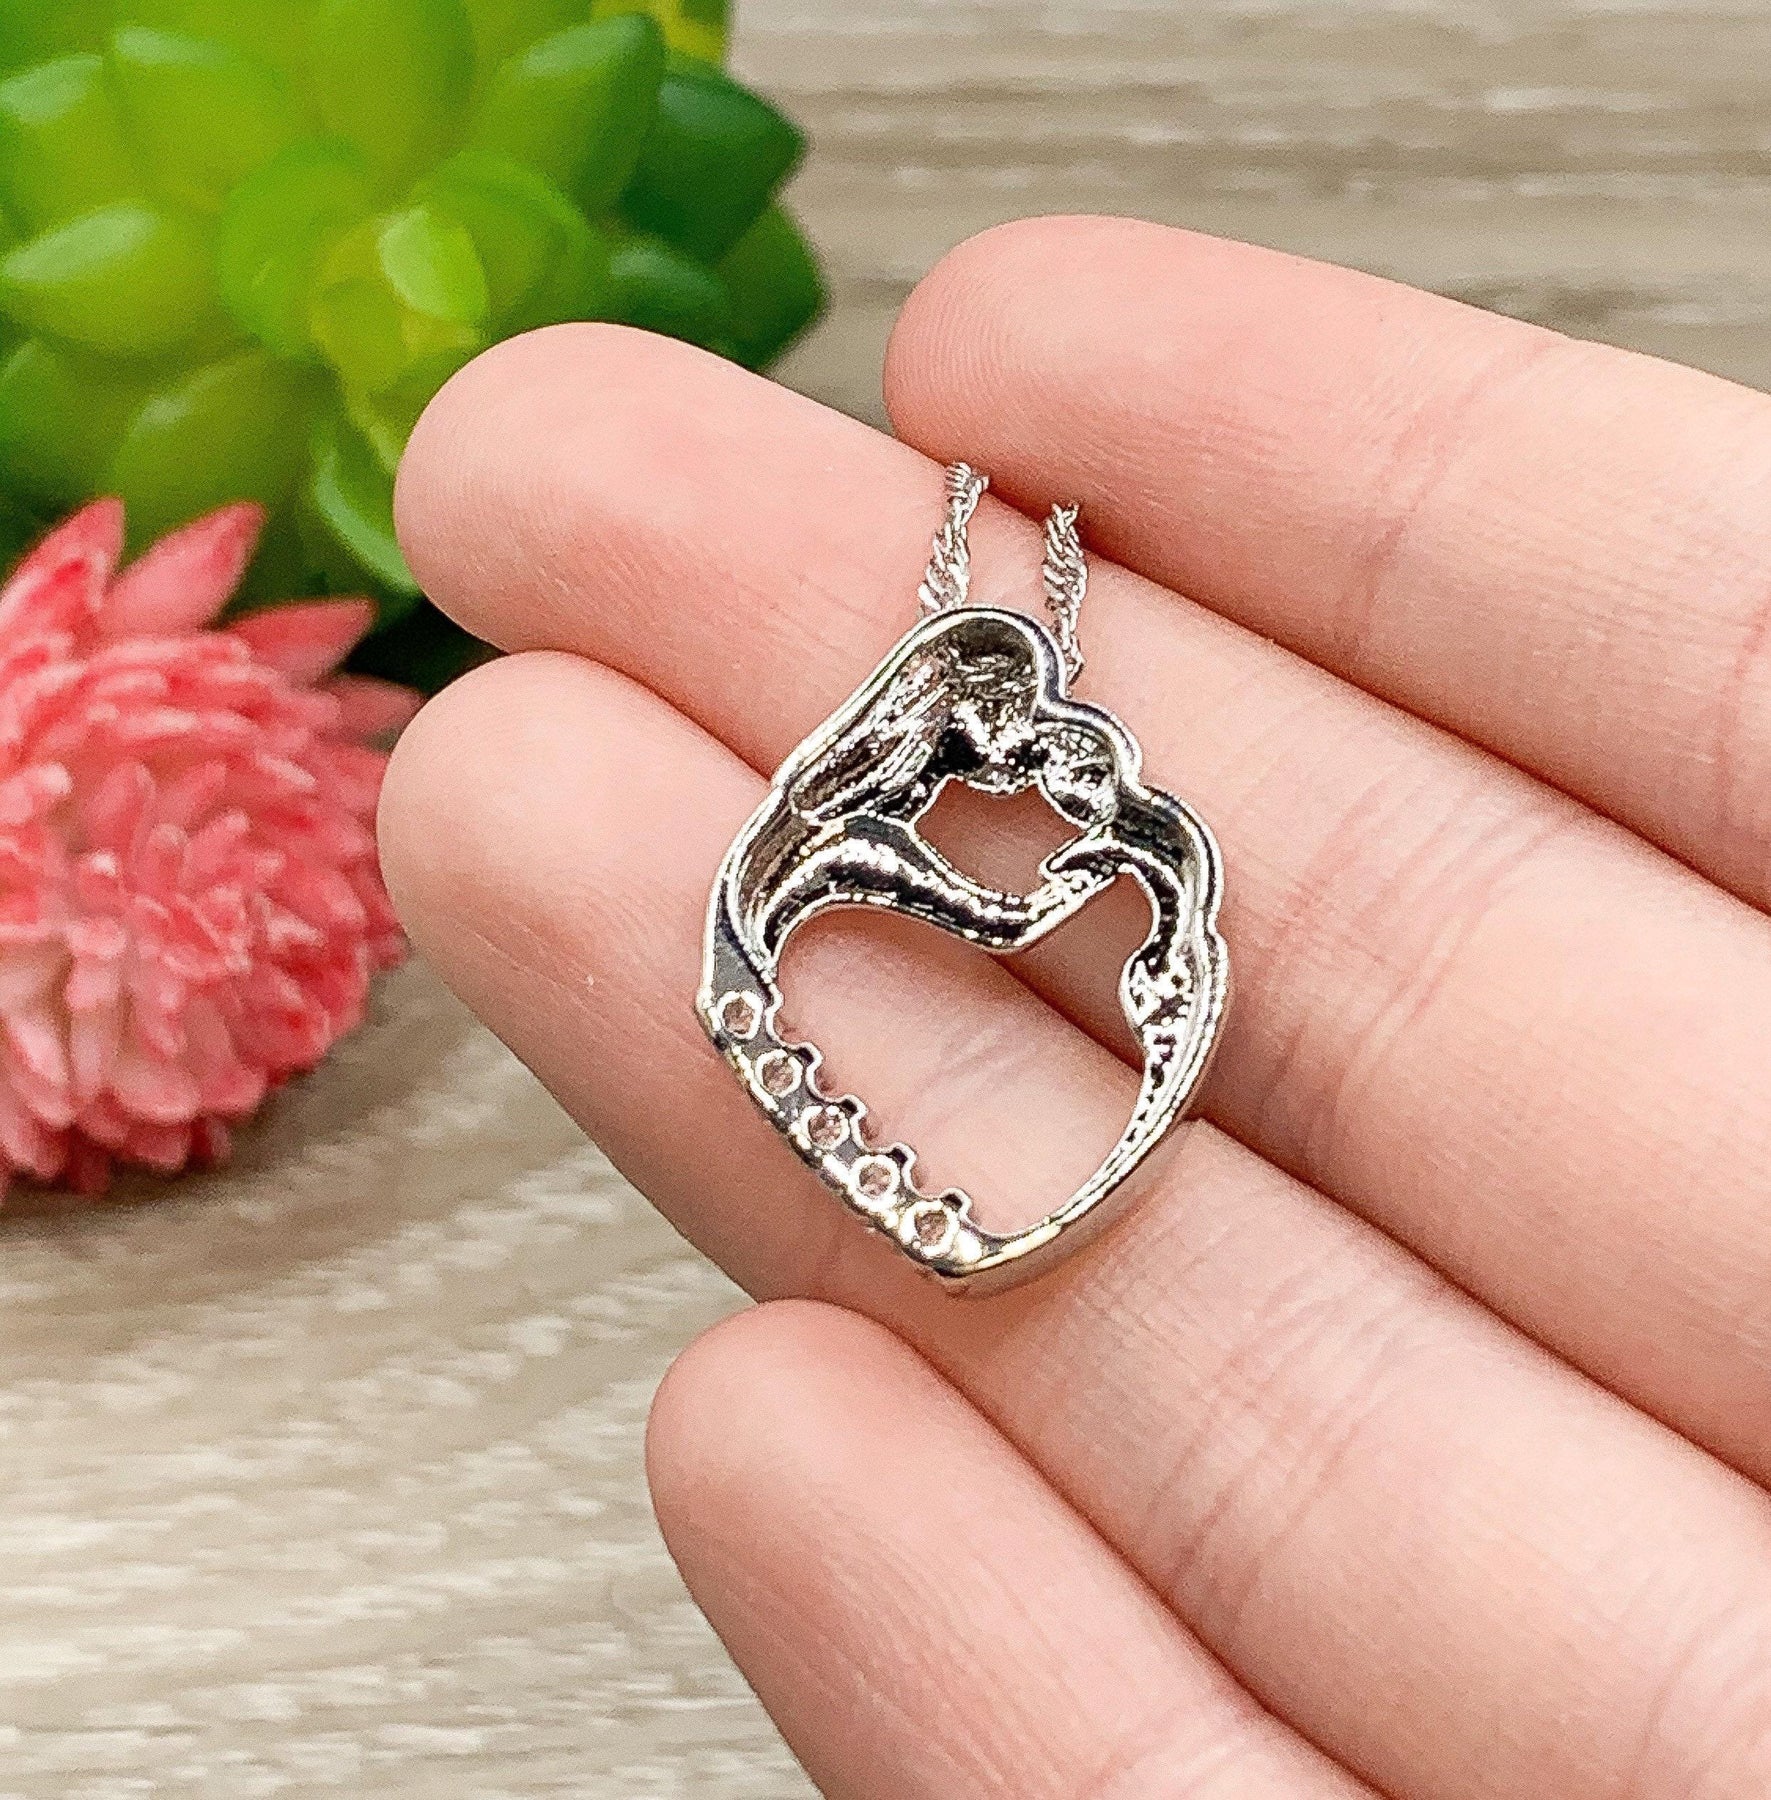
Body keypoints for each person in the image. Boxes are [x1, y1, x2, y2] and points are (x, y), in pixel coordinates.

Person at [380, 216, 1771, 1798]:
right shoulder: (902, 795)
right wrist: (988, 901)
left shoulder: (1109, 840)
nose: (1010, 753)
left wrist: (1031, 904)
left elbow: (1000, 887)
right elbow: (899, 878)